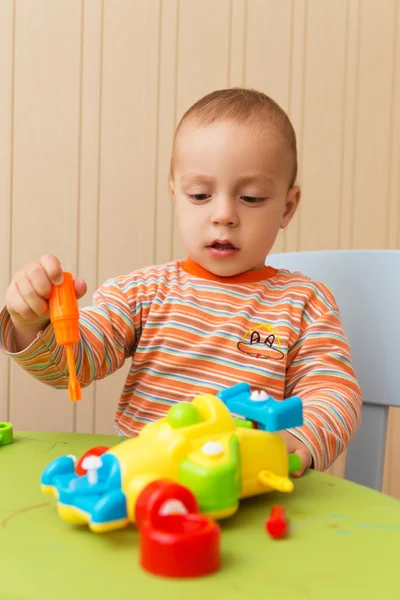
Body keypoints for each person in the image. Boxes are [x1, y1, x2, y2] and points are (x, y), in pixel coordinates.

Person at [0, 87, 362, 476]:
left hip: (246, 486)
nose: (224, 215)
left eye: (252, 198)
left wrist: (301, 441)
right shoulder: (142, 294)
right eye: (201, 195)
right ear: (176, 195)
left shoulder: (305, 302)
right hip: (144, 484)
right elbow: (72, 366)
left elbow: (333, 392)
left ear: (287, 207)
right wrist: (30, 323)